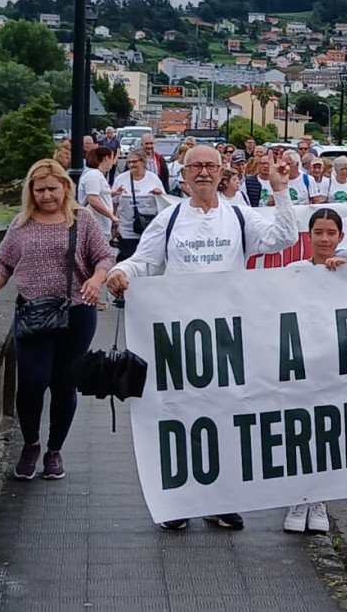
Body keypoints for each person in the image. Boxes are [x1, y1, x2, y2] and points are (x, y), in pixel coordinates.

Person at [106, 144, 298, 532]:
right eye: (197, 167)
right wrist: (121, 272)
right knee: (179, 415)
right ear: (184, 174)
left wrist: (280, 189)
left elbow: (284, 237)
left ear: (223, 171)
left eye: (211, 166)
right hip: (178, 336)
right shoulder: (170, 218)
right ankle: (177, 500)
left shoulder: (241, 216)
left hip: (227, 336)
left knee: (225, 416)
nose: (204, 173)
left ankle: (218, 500)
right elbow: (145, 261)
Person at [0, 159, 113, 480]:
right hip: (32, 313)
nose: (46, 196)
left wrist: (96, 281)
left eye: (52, 188)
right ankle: (31, 444)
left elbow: (105, 256)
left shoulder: (82, 220)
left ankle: (55, 450)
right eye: (39, 190)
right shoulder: (21, 222)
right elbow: (3, 262)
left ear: (66, 187)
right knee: (32, 382)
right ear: (31, 191)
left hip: (76, 313)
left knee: (64, 383)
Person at [283, 208, 347, 535]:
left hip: (334, 366)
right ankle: (297, 498)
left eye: (331, 233)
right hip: (300, 363)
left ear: (340, 238)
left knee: (328, 434)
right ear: (308, 237)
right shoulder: (293, 271)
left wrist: (346, 269)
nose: (324, 239)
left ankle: (320, 500)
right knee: (299, 432)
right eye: (318, 232)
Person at [111, 150, 164, 260]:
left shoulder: (153, 179)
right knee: (129, 257)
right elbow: (115, 203)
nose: (131, 165)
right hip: (126, 229)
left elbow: (163, 203)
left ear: (143, 162)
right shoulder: (120, 179)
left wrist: (159, 194)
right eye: (129, 162)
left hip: (148, 228)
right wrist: (114, 223)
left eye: (134, 162)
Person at [76, 147, 118, 240]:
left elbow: (98, 194)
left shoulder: (96, 174)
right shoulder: (93, 175)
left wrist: (113, 193)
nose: (113, 161)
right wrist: (111, 216)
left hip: (100, 224)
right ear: (106, 158)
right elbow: (93, 199)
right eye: (112, 158)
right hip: (97, 224)